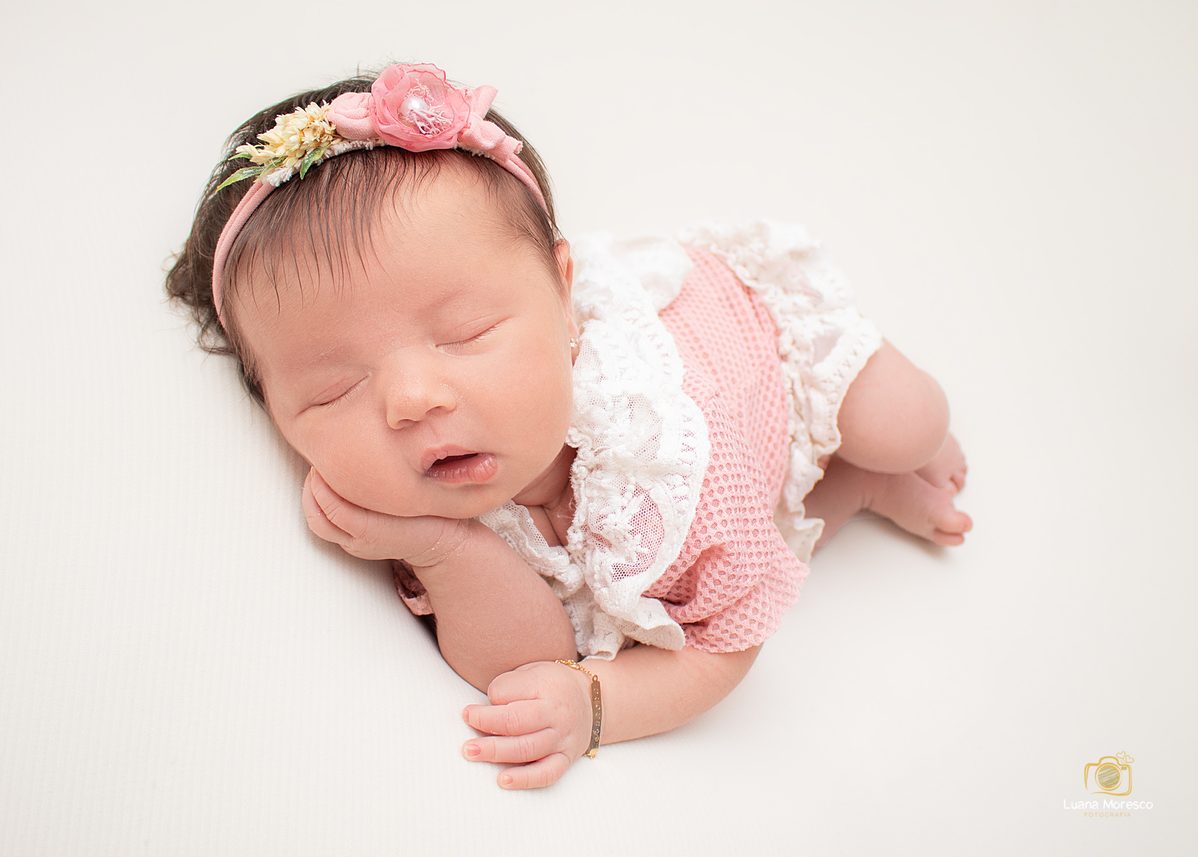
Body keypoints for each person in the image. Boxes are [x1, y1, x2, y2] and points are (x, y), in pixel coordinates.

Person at [167, 63, 971, 790]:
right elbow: (524, 659)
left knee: (902, 423)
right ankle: (855, 487)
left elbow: (727, 639)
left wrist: (602, 704)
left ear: (563, 297)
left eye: (466, 332)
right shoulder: (411, 496)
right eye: (335, 387)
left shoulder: (666, 452)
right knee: (736, 556)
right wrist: (443, 549)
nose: (411, 400)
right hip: (720, 510)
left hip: (762, 358)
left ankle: (869, 445)